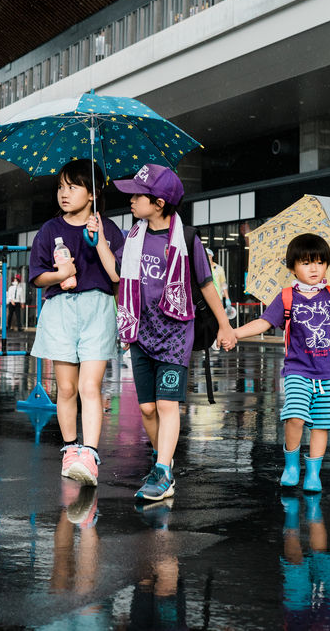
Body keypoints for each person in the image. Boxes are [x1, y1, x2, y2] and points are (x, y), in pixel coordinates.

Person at [90, 163, 237, 503]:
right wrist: (98, 241)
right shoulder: (134, 236)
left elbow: (206, 284)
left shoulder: (187, 239)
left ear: (158, 203)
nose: (130, 200)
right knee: (147, 409)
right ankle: (163, 462)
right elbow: (115, 273)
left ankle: (162, 472)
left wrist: (225, 324)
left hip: (175, 333)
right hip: (140, 331)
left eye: (137, 196)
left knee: (166, 404)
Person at [234, 233, 330, 492]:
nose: (314, 268)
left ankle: (313, 473)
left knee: (321, 424)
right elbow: (264, 322)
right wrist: (234, 333)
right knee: (294, 416)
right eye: (306, 263)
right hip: (298, 370)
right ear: (293, 267)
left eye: (319, 262)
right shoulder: (286, 297)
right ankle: (292, 465)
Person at [29, 158, 124, 487]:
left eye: (72, 187)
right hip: (60, 310)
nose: (64, 194)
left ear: (93, 192)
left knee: (89, 387)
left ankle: (90, 455)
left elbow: (117, 276)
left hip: (98, 308)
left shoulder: (109, 228)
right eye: (60, 187)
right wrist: (61, 274)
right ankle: (70, 450)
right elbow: (37, 276)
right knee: (67, 388)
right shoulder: (49, 230)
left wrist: (100, 239)